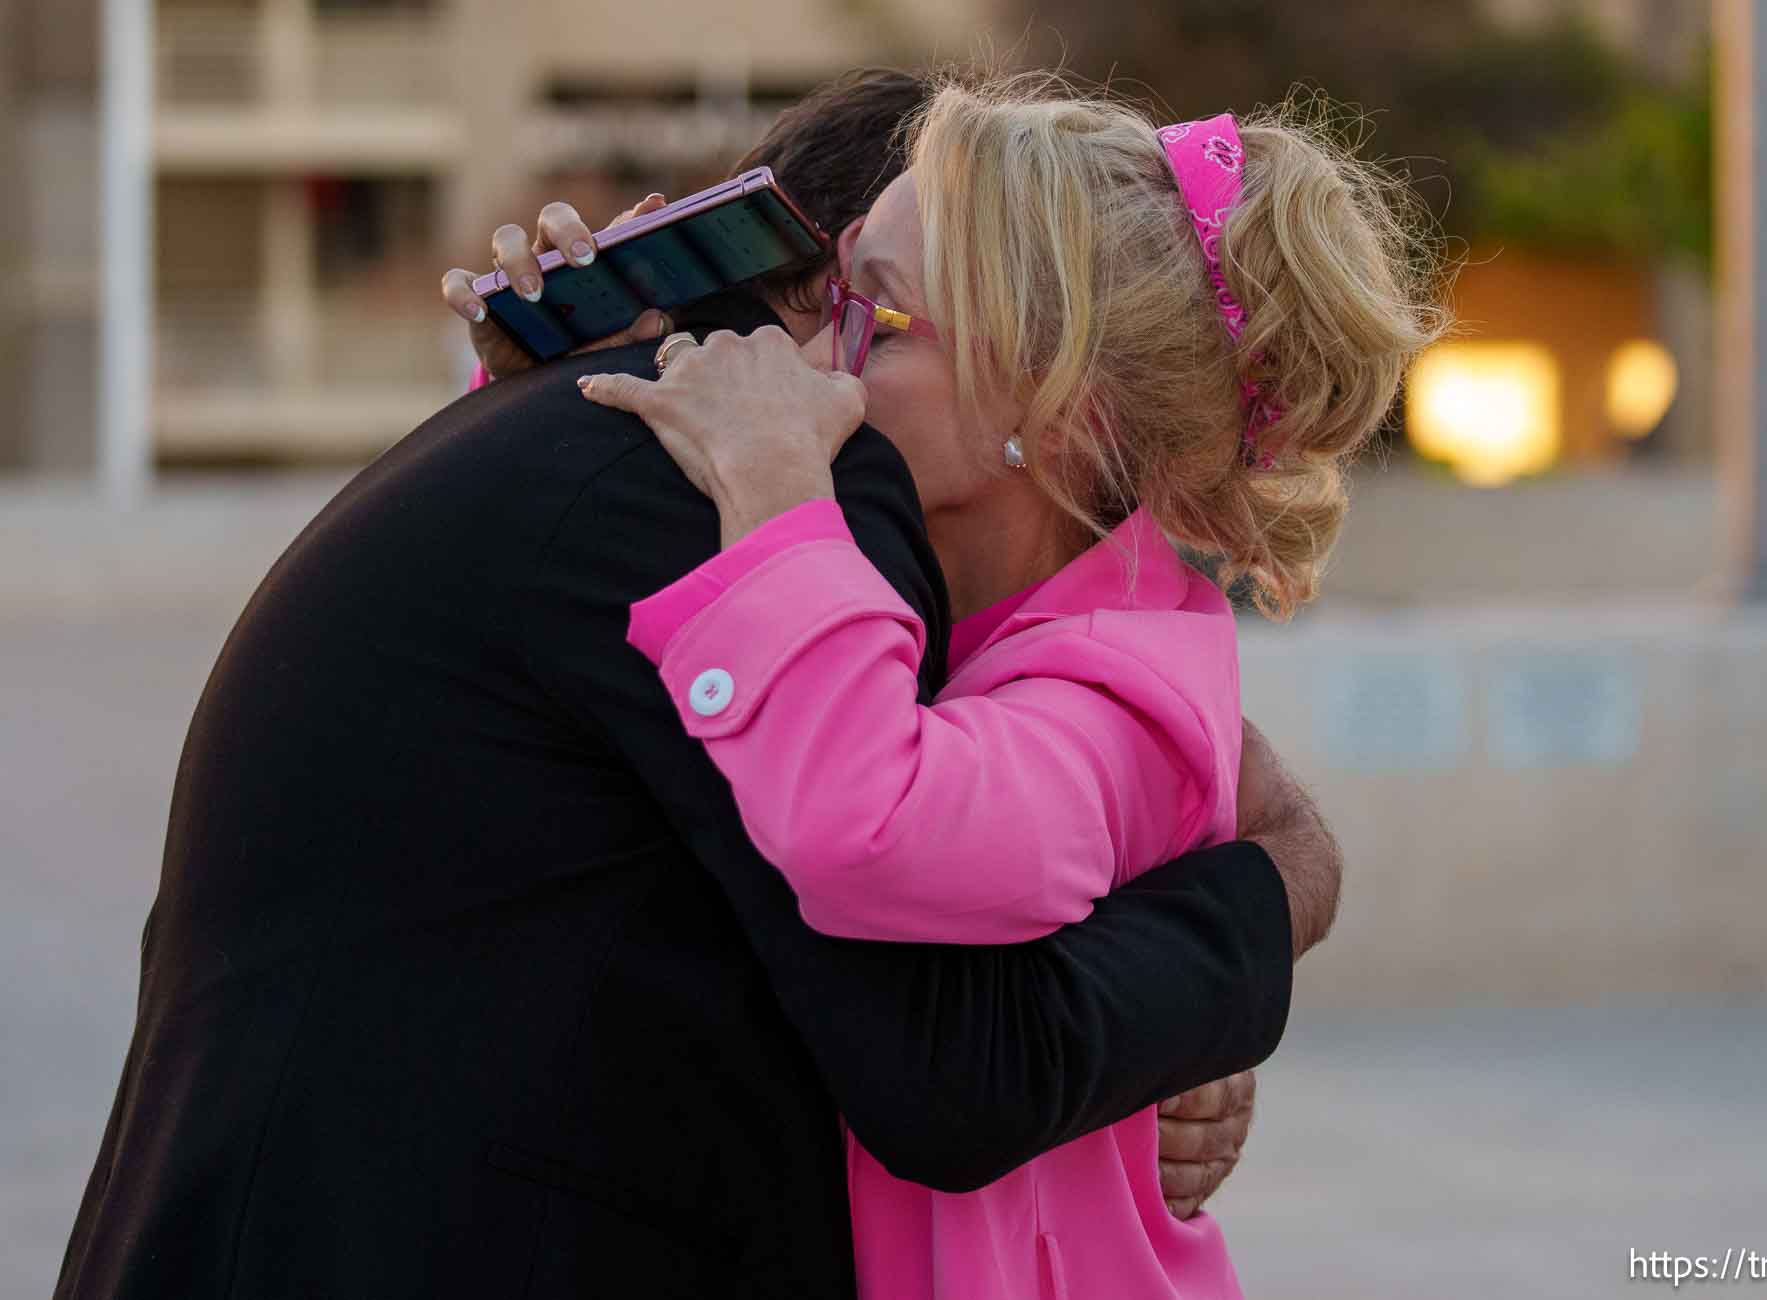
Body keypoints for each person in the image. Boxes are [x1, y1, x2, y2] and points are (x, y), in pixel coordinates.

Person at [54, 71, 1343, 1300]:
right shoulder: (722, 496)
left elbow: (1011, 827)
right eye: (842, 302)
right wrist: (1257, 901)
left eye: (880, 315)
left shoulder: (653, 470)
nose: (826, 369)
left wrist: (1195, 962)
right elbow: (964, 1069)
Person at [576, 73, 1444, 1298]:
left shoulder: (1130, 697)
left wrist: (775, 491)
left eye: (875, 314)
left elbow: (865, 822)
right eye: (834, 283)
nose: (811, 345)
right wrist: (551, 403)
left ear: (1063, 417)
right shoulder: (1004, 619)